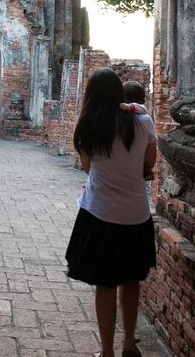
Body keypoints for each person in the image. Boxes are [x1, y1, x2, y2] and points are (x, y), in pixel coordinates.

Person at [65, 68, 157, 357]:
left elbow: (89, 168)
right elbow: (148, 166)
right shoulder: (143, 121)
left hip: (99, 215)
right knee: (131, 281)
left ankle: (107, 352)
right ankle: (129, 344)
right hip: (135, 216)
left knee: (105, 285)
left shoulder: (88, 127)